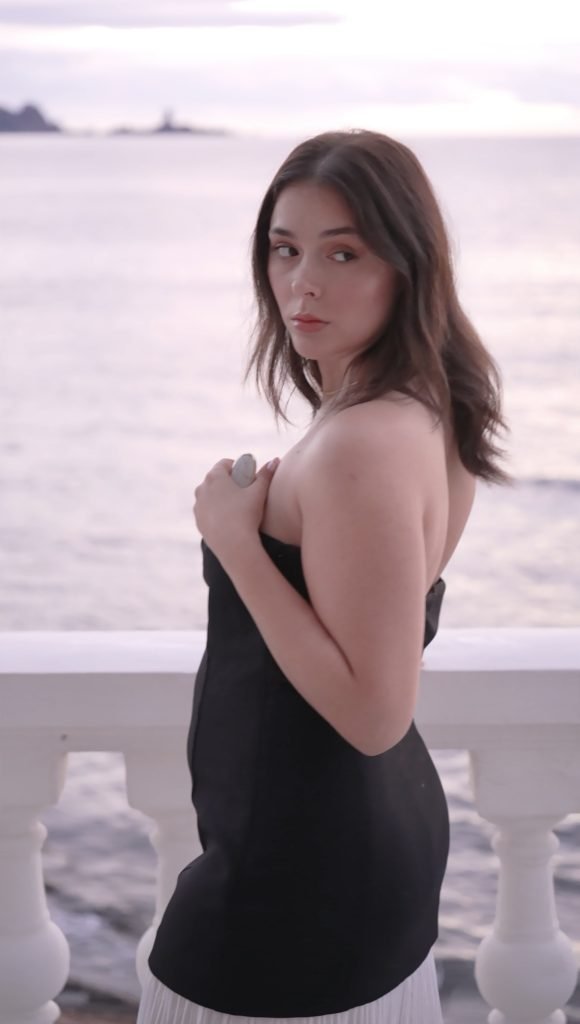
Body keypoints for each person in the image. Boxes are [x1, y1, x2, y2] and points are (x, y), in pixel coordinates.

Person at [138, 129, 509, 1024]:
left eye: (343, 253)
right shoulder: (422, 409)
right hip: (359, 860)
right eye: (285, 248)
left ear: (408, 267)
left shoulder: (358, 447)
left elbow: (374, 713)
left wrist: (235, 544)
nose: (302, 282)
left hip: (294, 887)